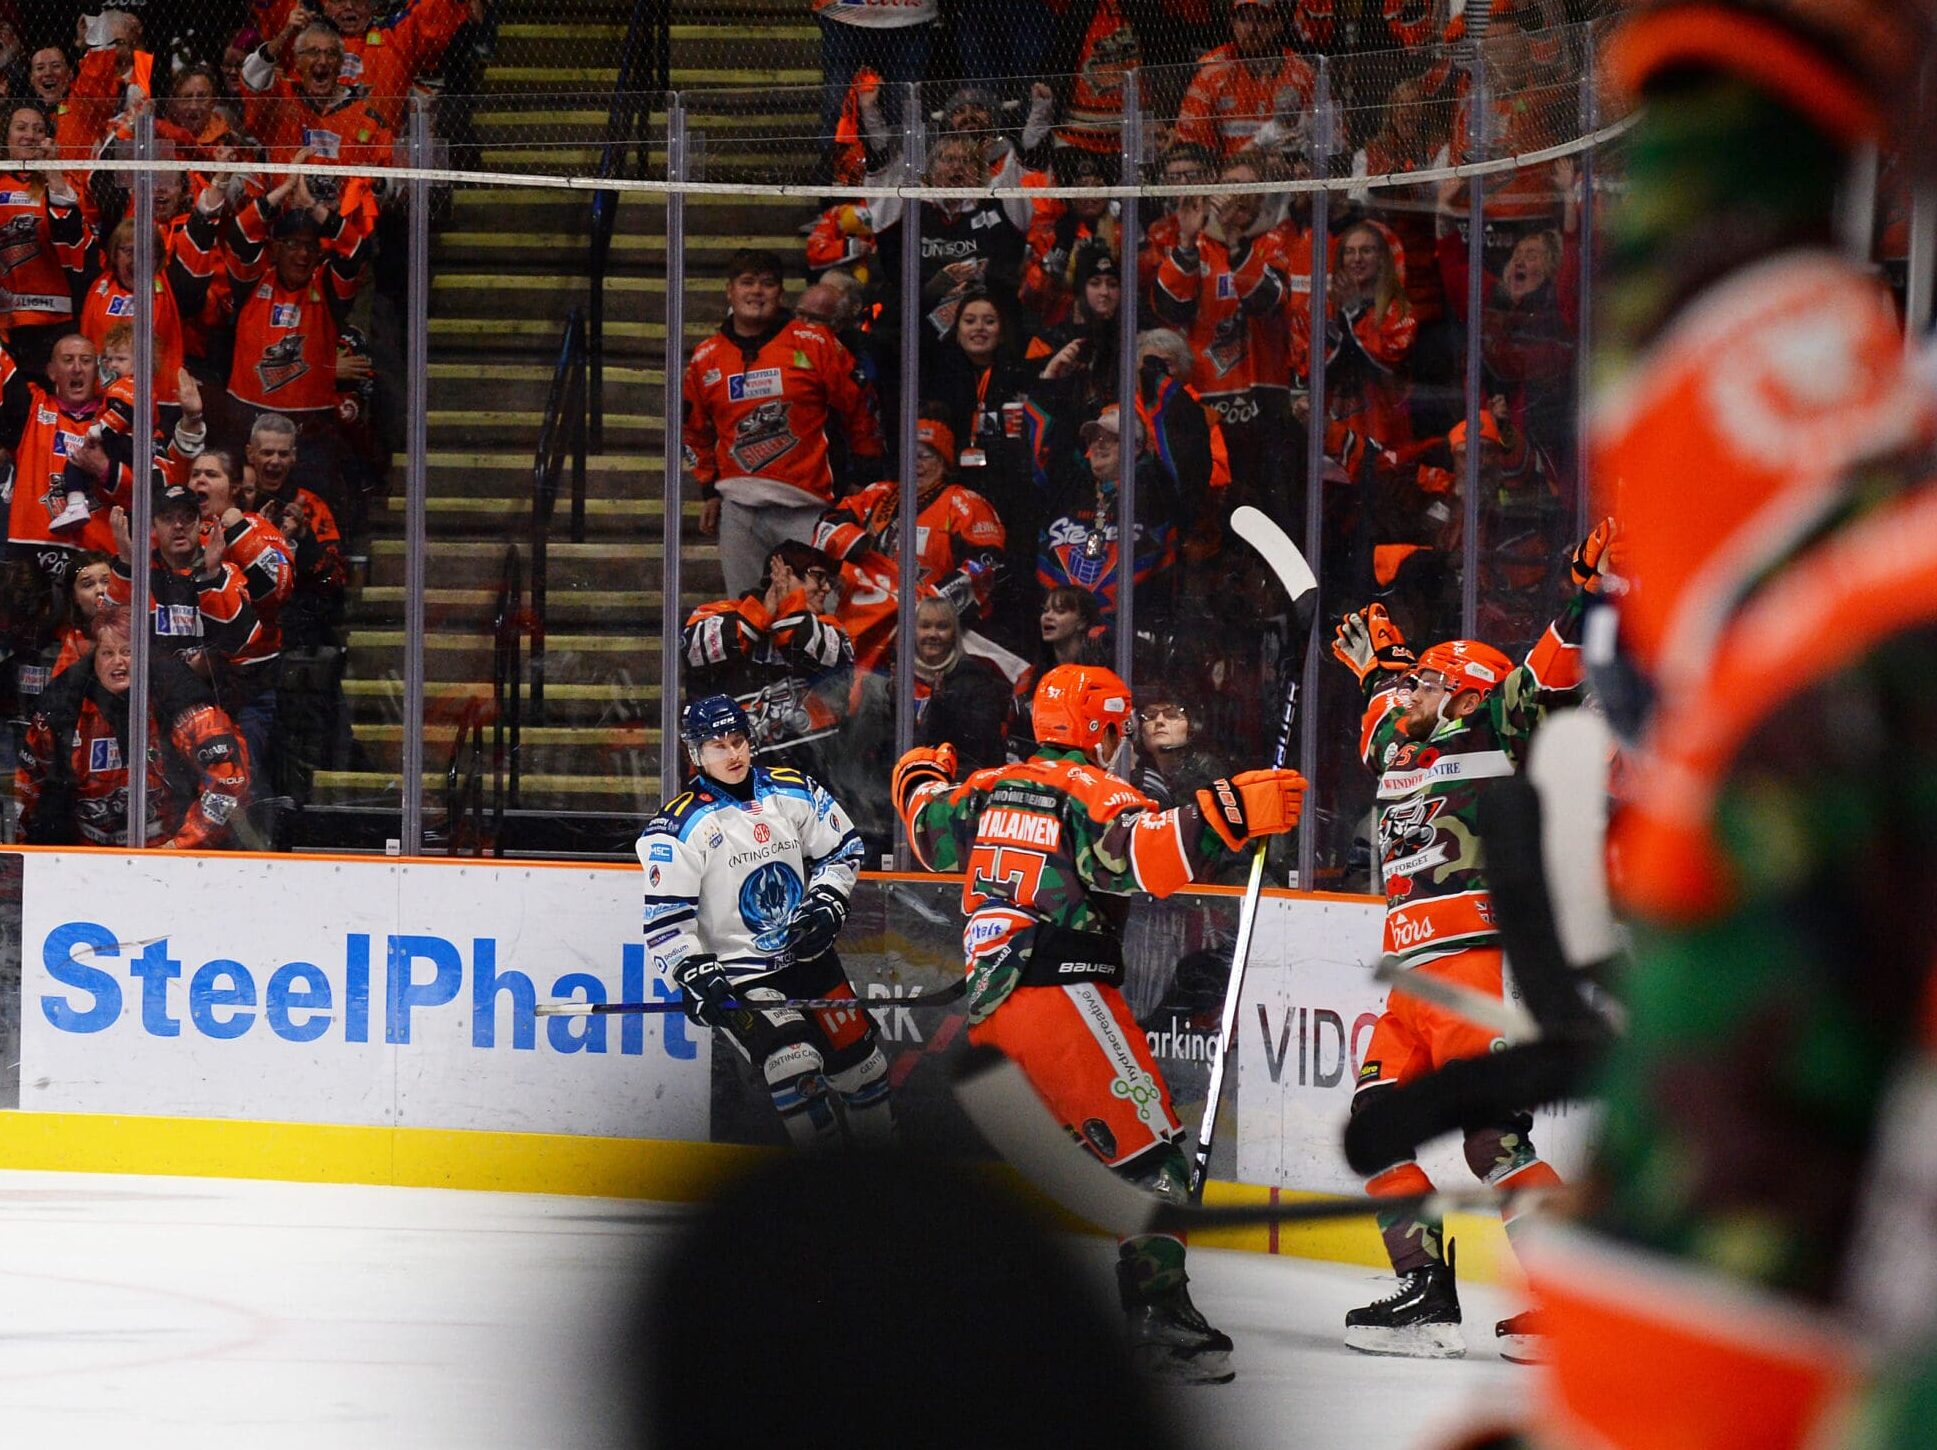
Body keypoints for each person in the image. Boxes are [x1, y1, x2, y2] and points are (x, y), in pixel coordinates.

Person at [892, 662, 1308, 1382]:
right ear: (1103, 729)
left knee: (1071, 1168)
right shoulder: (1093, 791)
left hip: (990, 1014)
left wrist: (920, 765)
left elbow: (926, 823)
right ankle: (1158, 1318)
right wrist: (1231, 814)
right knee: (1155, 1164)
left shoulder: (988, 786)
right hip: (1061, 999)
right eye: (1119, 727)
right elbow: (1141, 862)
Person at [1328, 523, 1610, 1362]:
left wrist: (1588, 592)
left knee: (1492, 1140)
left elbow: (1546, 676)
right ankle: (1422, 1291)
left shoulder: (1495, 730)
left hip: (1475, 963)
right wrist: (1382, 667)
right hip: (1410, 977)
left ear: (1459, 690)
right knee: (1374, 1124)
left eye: (1422, 681)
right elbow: (1381, 715)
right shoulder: (1398, 745)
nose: (1404, 693)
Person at [637, 694, 890, 1151]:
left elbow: (843, 849)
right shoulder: (677, 829)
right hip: (742, 973)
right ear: (695, 753)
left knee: (862, 1069)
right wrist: (693, 973)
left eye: (738, 741)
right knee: (793, 1063)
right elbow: (667, 926)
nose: (732, 753)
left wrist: (827, 900)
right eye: (717, 745)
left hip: (808, 957)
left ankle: (888, 1182)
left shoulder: (790, 790)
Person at [683, 248, 884, 597]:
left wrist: (864, 477)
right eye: (747, 283)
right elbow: (692, 430)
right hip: (739, 512)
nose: (757, 292)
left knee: (821, 616)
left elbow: (859, 409)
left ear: (781, 293)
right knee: (746, 619)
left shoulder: (817, 343)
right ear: (729, 291)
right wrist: (708, 488)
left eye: (767, 284)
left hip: (809, 509)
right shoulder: (705, 357)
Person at [15, 604, 249, 848]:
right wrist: (19, 850)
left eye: (127, 651)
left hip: (171, 856)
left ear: (144, 655)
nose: (118, 662)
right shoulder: (63, 705)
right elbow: (26, 788)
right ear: (94, 658)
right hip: (84, 861)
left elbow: (229, 782)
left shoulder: (180, 698)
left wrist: (179, 847)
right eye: (107, 653)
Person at [813, 415, 1006, 680]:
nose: (916, 463)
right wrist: (853, 544)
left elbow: (989, 562)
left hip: (934, 638)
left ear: (944, 461)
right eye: (910, 454)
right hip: (867, 623)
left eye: (925, 456)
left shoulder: (964, 503)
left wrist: (930, 610)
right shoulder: (878, 495)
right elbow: (828, 524)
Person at [680, 539, 854, 774]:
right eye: (819, 577)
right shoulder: (715, 613)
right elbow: (692, 649)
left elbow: (834, 660)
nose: (826, 588)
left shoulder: (829, 628)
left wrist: (786, 610)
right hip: (725, 782)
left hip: (808, 782)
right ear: (786, 573)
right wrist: (759, 614)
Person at [0, 103, 94, 378]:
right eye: (21, 128)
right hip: (8, 321)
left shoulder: (61, 183)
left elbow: (72, 235)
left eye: (38, 129)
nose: (30, 135)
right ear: (5, 138)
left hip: (56, 321)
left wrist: (53, 172)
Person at [1171, 0, 1316, 162]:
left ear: (1278, 24)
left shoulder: (1302, 72)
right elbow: (1193, 141)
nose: (1252, 29)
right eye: (1244, 19)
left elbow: (1322, 134)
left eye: (1261, 19)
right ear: (1233, 23)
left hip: (1286, 171)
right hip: (1230, 176)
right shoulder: (1212, 70)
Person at [911, 595, 1011, 774]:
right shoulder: (898, 676)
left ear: (954, 633)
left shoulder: (975, 680)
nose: (933, 634)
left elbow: (981, 745)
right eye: (925, 626)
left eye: (942, 627)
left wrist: (943, 705)